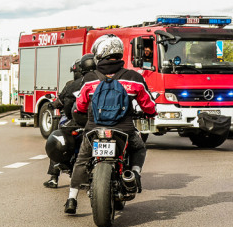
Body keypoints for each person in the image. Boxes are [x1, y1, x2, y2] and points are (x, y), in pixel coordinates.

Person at [64, 35, 157, 215]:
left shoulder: (90, 78)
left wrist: (83, 113)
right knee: (139, 148)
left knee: (82, 159)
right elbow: (149, 105)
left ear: (100, 53)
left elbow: (81, 105)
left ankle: (72, 198)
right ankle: (135, 174)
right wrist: (152, 113)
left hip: (94, 129)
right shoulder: (134, 77)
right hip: (124, 130)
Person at [44, 54, 95, 188]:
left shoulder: (72, 85)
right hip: (96, 121)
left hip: (75, 121)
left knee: (58, 139)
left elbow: (64, 103)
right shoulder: (102, 81)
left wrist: (54, 104)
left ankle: (54, 177)